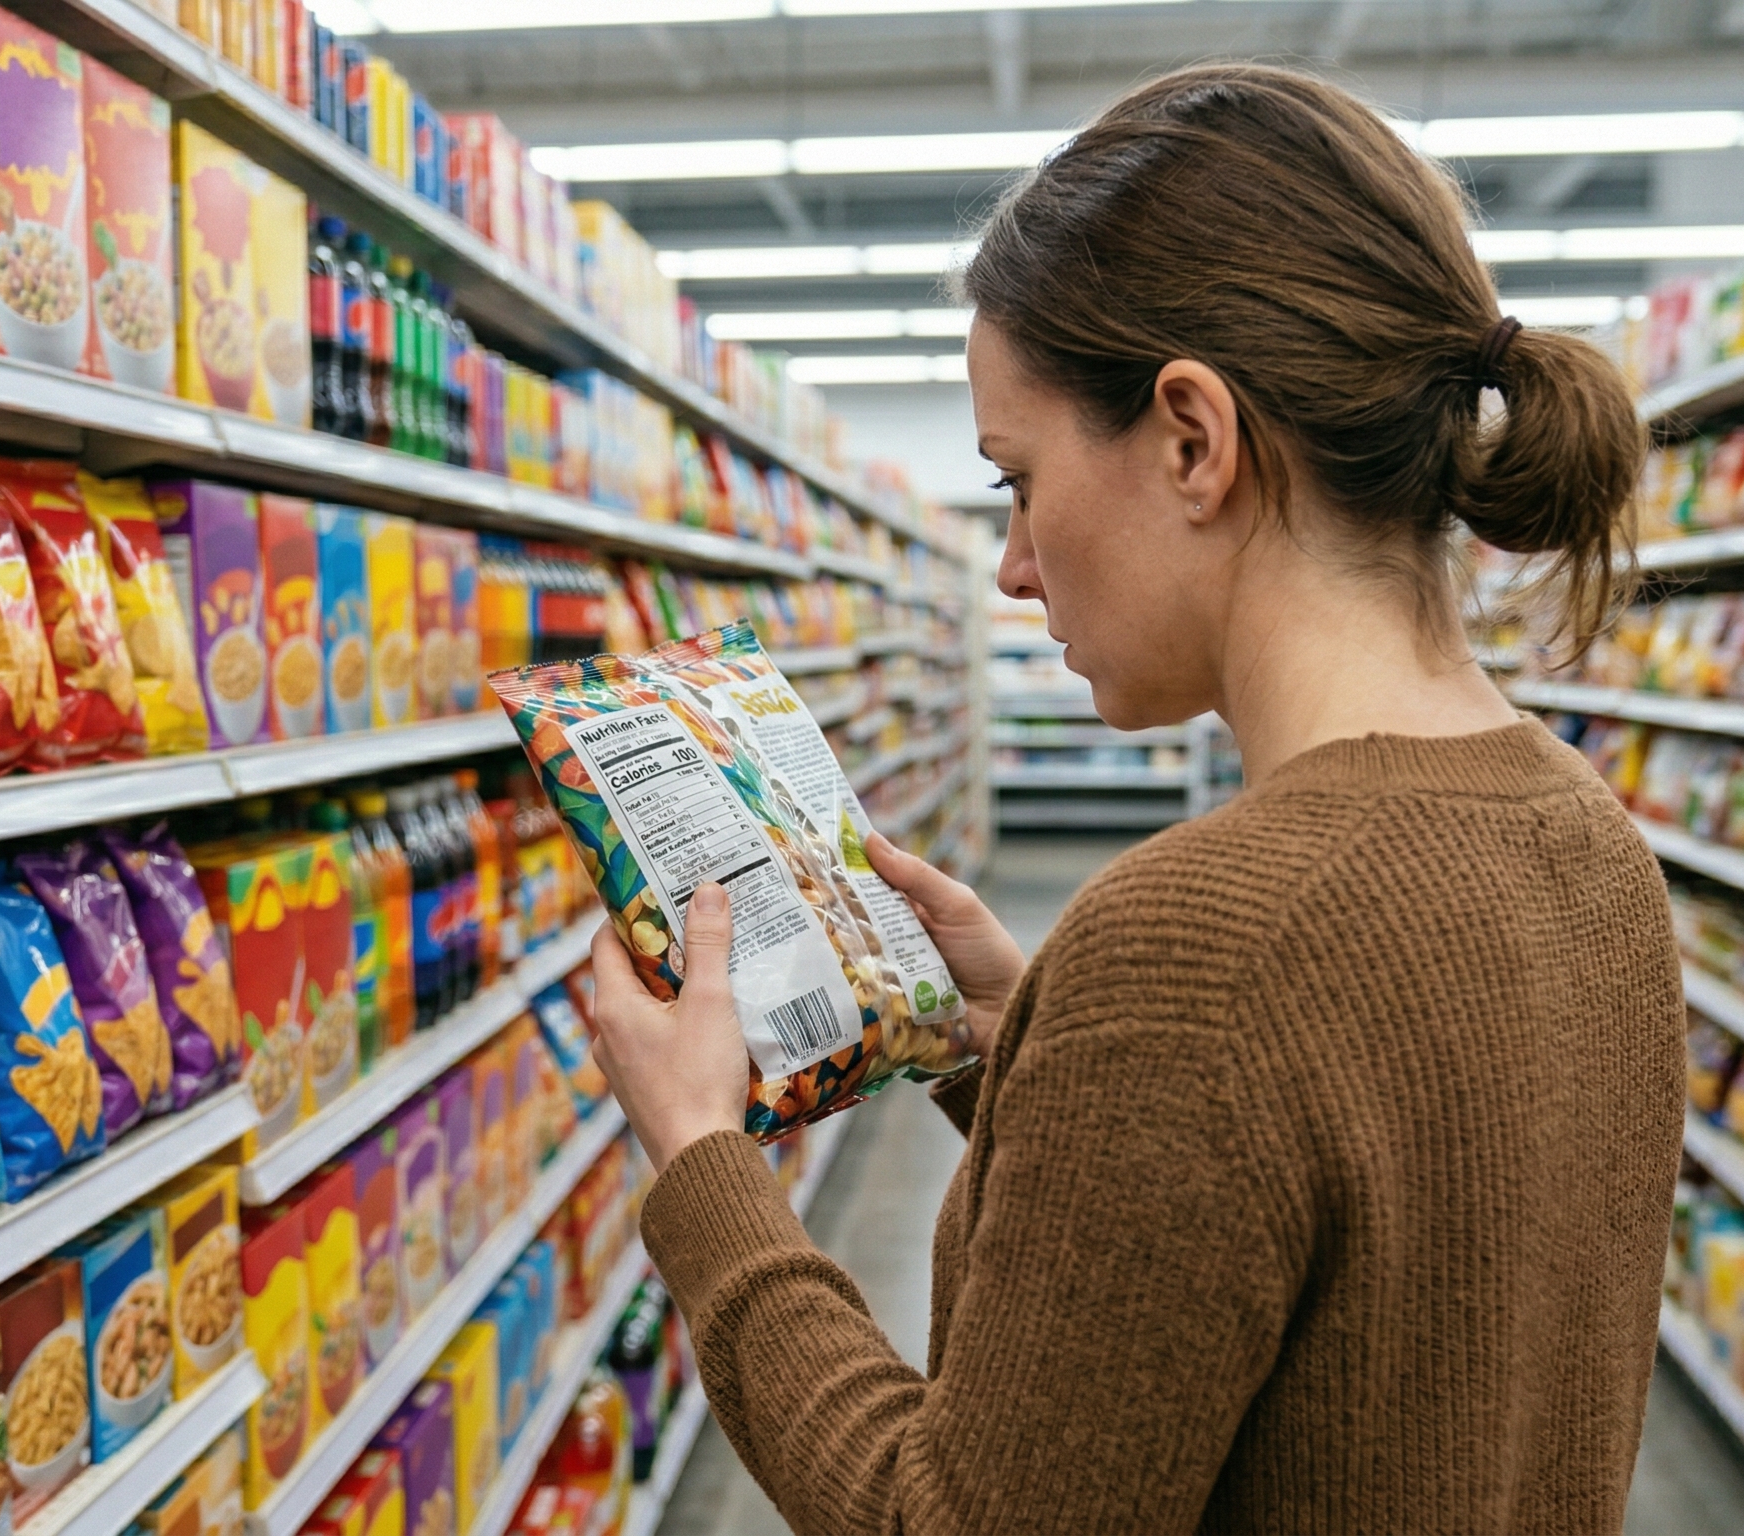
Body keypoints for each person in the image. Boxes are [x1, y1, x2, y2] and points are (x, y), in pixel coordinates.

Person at [581, 61, 1683, 1535]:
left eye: (1017, 480)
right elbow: (1314, 1283)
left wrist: (707, 1167)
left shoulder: (1204, 951)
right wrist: (1027, 1045)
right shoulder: (1586, 836)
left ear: (1191, 439)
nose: (1013, 565)